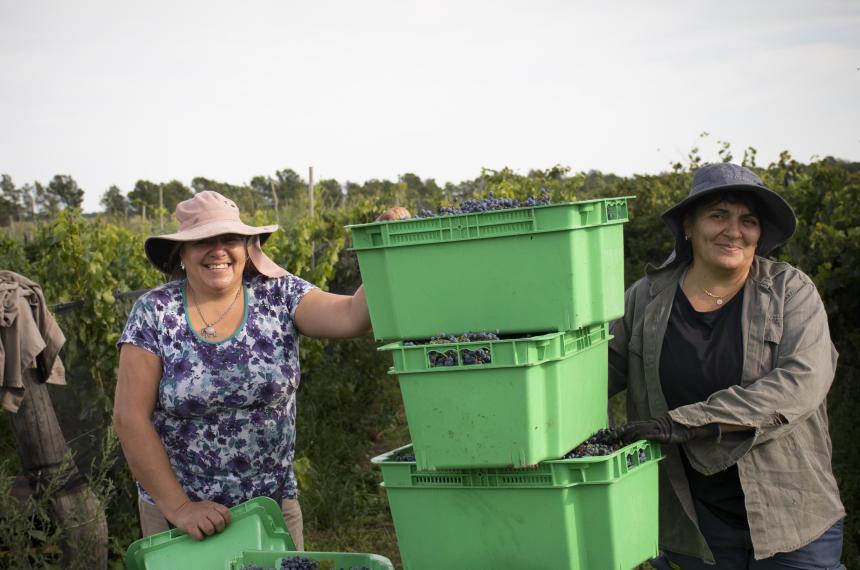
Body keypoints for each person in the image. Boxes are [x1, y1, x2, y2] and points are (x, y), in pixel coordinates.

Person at [113, 191, 408, 547]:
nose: (218, 249)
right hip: (182, 521)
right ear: (181, 253)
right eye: (202, 241)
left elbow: (352, 318)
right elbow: (130, 418)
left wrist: (383, 249)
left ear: (248, 247)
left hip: (270, 508)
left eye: (230, 239)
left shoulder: (279, 296)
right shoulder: (155, 312)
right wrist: (180, 507)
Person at [609, 163, 846, 569]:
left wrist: (688, 421)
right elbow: (594, 372)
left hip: (791, 515)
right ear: (689, 224)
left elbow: (802, 382)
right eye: (718, 215)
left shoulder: (790, 290)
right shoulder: (646, 298)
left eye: (747, 220)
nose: (733, 230)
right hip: (696, 522)